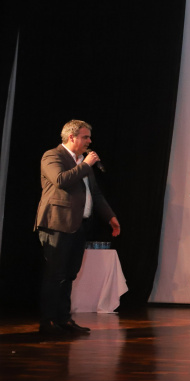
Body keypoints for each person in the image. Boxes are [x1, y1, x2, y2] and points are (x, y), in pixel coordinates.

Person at [34, 120, 120, 337]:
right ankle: (48, 322)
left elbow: (96, 194)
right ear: (71, 137)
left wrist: (110, 216)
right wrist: (86, 165)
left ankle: (64, 319)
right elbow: (61, 180)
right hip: (56, 223)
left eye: (89, 137)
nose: (89, 141)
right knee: (55, 274)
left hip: (78, 225)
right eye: (85, 137)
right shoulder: (52, 156)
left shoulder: (83, 162)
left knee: (69, 275)